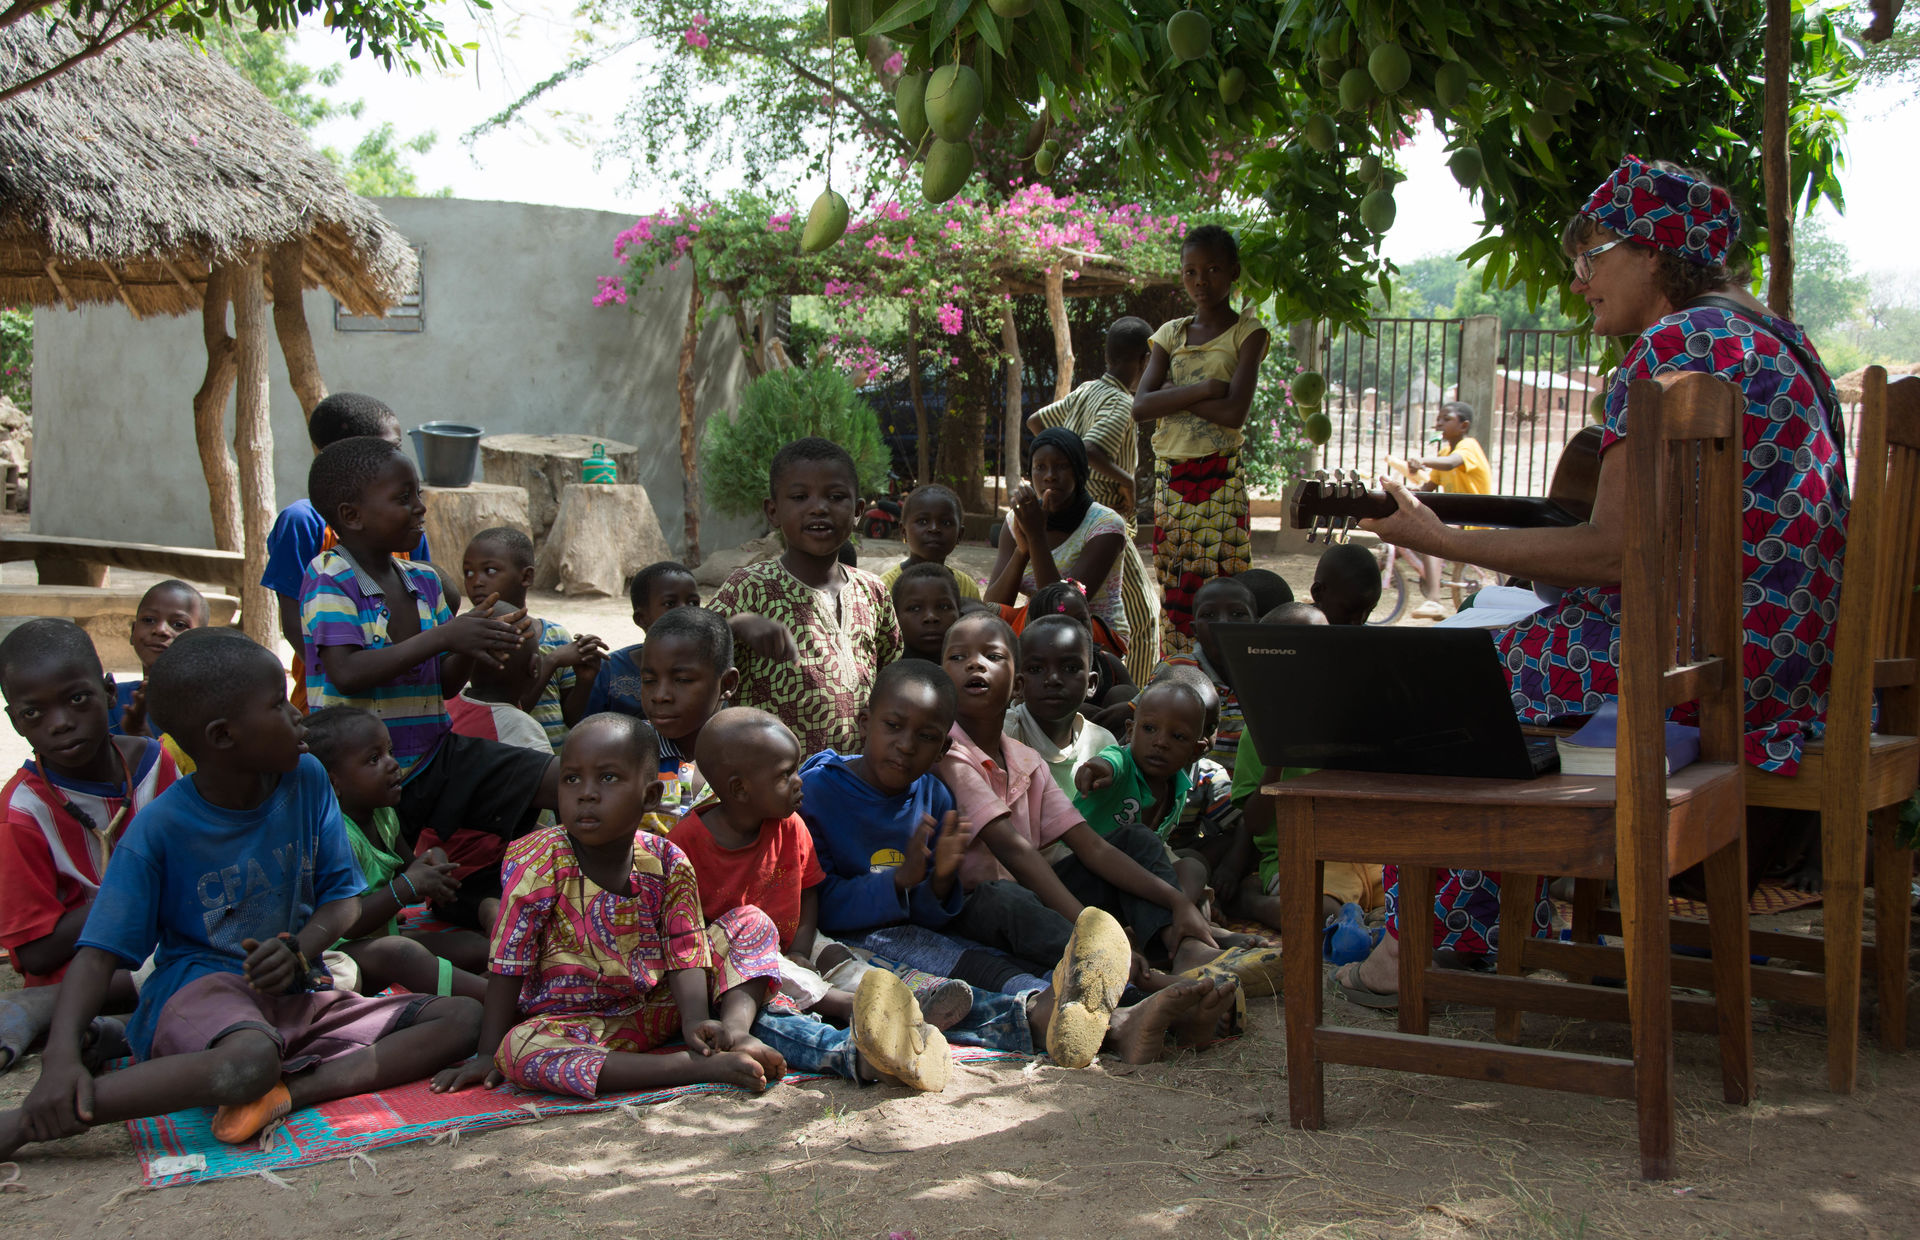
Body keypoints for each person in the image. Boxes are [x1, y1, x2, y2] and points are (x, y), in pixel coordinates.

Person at [1343, 155, 1850, 1003]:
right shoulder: (1782, 342)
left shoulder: (1671, 346)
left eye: (1591, 257)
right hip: (1791, 667)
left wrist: (1442, 536)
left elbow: (1616, 553)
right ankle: (1491, 927)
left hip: (1701, 662)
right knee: (1523, 653)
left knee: (1453, 683)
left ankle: (1426, 945)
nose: (1580, 283)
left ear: (1654, 253)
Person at [0, 629, 483, 1157]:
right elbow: (97, 957)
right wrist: (61, 1057)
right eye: (278, 704)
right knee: (248, 1062)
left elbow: (342, 900)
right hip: (201, 992)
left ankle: (288, 1093)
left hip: (297, 990)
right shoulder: (161, 829)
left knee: (461, 1018)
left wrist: (301, 947)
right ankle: (30, 1122)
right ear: (224, 736)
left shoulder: (308, 777)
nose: (298, 715)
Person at [425, 714, 786, 1099]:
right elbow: (509, 960)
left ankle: (733, 1032)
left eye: (608, 778)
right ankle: (686, 1068)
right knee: (517, 1050)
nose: (586, 793)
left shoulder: (667, 860)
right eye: (571, 779)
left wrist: (696, 1020)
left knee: (751, 922)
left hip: (660, 1006)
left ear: (648, 796)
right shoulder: (541, 861)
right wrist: (485, 1052)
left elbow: (685, 947)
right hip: (576, 1025)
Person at [299, 436, 559, 906]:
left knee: (557, 778)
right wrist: (445, 637)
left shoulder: (423, 581)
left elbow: (442, 682)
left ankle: (570, 893)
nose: (420, 508)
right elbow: (346, 672)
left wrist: (477, 641)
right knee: (383, 885)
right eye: (403, 498)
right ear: (352, 515)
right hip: (360, 770)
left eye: (417, 494)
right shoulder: (328, 576)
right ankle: (458, 911)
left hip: (435, 754)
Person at [935, 613, 1221, 977]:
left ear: (1017, 684)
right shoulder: (948, 754)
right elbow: (1017, 855)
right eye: (958, 657)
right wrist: (1091, 934)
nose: (974, 663)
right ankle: (1121, 974)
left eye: (993, 656)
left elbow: (1092, 846)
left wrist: (1177, 899)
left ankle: (1181, 944)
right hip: (978, 906)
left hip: (1038, 893)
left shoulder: (1026, 760)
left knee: (1135, 838)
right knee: (1004, 897)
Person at [0, 620, 177, 1069]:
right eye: (33, 713)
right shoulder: (20, 813)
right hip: (79, 979)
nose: (60, 724)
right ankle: (77, 1016)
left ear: (109, 693)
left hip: (169, 953)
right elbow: (36, 952)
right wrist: (137, 883)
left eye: (77, 699)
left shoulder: (154, 764)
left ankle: (116, 1033)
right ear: (15, 722)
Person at [708, 438, 900, 757]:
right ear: (773, 510)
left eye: (836, 497)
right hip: (772, 789)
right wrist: (737, 626)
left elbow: (891, 674)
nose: (818, 507)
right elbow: (690, 654)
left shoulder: (874, 591)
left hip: (858, 785)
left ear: (858, 511)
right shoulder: (749, 588)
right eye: (799, 497)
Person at [1133, 225, 1270, 659]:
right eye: (1190, 272)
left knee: (1225, 582)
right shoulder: (1170, 334)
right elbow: (1141, 407)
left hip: (1220, 473)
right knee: (1175, 582)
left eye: (1212, 270)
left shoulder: (1248, 334)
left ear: (1234, 272)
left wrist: (1173, 394)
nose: (1200, 282)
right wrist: (1206, 388)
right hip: (1171, 477)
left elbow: (1234, 414)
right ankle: (1178, 672)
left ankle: (1230, 676)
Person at [1222, 601, 1387, 936]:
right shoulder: (1259, 732)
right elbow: (1254, 823)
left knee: (1413, 900)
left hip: (1367, 852)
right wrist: (1276, 762)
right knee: (1319, 911)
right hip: (1302, 856)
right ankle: (1252, 902)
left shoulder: (1355, 714)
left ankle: (1363, 924)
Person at [668, 709, 847, 1017]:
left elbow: (808, 892)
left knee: (837, 957)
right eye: (784, 774)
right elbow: (682, 936)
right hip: (730, 959)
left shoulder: (790, 826)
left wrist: (801, 950)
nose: (798, 781)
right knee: (776, 973)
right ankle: (846, 1006)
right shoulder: (684, 845)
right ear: (740, 789)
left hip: (793, 942)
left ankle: (906, 998)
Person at [260, 393, 431, 711]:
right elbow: (295, 621)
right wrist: (341, 673)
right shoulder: (304, 522)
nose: (395, 460)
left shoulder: (404, 527)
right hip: (337, 699)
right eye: (384, 450)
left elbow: (429, 607)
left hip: (410, 699)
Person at [303, 707, 490, 995]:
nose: (393, 764)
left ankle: (491, 987)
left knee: (477, 948)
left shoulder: (383, 815)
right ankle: (499, 1002)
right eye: (374, 759)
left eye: (390, 751)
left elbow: (409, 871)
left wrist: (432, 864)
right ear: (333, 782)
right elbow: (346, 926)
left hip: (382, 935)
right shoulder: (338, 836)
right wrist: (407, 886)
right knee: (403, 954)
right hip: (342, 951)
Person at [1028, 317, 1162, 682]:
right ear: (1144, 359)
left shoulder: (1089, 389)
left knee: (1087, 605)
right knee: (1144, 615)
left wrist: (1055, 458)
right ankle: (1133, 693)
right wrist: (1128, 482)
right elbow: (1090, 448)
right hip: (1100, 513)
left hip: (1076, 513)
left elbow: (1038, 421)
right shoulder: (1120, 402)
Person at [430, 603, 556, 933]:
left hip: (433, 865)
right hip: (486, 868)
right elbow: (544, 819)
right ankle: (496, 918)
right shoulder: (523, 730)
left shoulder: (445, 707)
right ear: (534, 668)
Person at [1073, 675, 1218, 909]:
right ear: (1130, 731)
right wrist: (1100, 767)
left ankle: (1180, 919)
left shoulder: (1179, 790)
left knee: (1194, 868)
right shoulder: (1122, 763)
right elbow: (1111, 759)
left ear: (1196, 750)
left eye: (1178, 736)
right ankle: (1179, 925)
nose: (1160, 742)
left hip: (1137, 880)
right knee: (1139, 838)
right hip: (1087, 871)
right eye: (1149, 728)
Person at [983, 428, 1130, 651]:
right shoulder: (1019, 518)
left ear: (1079, 472)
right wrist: (1023, 550)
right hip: (1038, 627)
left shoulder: (1105, 525)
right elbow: (992, 607)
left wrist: (1036, 537)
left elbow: (1062, 608)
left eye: (1061, 466)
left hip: (1093, 633)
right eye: (1040, 467)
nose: (1050, 475)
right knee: (979, 621)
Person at [461, 527, 606, 752]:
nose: (476, 581)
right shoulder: (470, 637)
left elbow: (571, 717)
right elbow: (509, 710)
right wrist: (552, 661)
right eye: (468, 573)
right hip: (506, 760)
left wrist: (585, 680)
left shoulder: (555, 635)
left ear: (526, 576)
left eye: (489, 570)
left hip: (552, 760)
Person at [633, 605, 738, 833]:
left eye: (682, 680)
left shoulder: (750, 758)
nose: (661, 696)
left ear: (727, 684)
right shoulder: (628, 752)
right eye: (649, 680)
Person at [1388, 402, 1494, 620]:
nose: (1439, 423)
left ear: (1463, 425)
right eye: (1439, 418)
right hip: (1456, 516)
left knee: (1431, 536)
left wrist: (1424, 461)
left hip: (1473, 517)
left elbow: (1450, 463)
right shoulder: (1445, 450)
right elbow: (1428, 488)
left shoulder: (1469, 447)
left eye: (1446, 419)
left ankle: (1434, 600)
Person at [1004, 614, 1119, 800]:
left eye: (1070, 668)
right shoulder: (1004, 738)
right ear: (1018, 684)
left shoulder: (1103, 744)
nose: (1053, 679)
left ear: (1091, 684)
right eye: (1036, 669)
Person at [1151, 575, 1257, 769]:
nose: (1223, 623)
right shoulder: (1177, 669)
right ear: (1195, 629)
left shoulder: (1266, 677)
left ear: (1255, 624)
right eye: (1209, 615)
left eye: (1237, 614)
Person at [107, 579, 208, 765]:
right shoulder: (112, 700)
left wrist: (141, 735)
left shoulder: (208, 709)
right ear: (132, 631)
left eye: (178, 624)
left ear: (201, 640)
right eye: (148, 620)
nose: (160, 630)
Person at [586, 560, 702, 719]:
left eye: (693, 603)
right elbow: (585, 723)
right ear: (641, 619)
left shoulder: (706, 665)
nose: (685, 611)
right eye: (670, 603)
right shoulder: (610, 669)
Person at [877, 484, 983, 601]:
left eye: (946, 523)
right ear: (904, 531)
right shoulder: (883, 588)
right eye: (923, 521)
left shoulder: (967, 588)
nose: (934, 528)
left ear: (960, 534)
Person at [891, 561, 964, 663]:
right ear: (895, 618)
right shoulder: (881, 670)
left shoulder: (973, 670)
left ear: (960, 617)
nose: (931, 617)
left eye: (944, 607)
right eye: (915, 608)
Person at [1311, 542, 1384, 627]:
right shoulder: (1297, 633)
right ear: (1317, 592)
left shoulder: (1365, 638)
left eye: (1369, 611)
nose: (1359, 622)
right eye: (1350, 610)